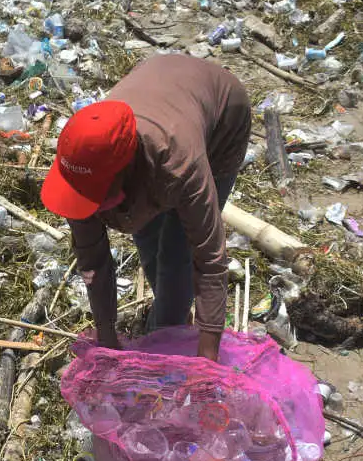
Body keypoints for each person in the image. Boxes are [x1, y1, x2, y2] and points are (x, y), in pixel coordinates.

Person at [40, 54, 251, 362]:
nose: (88, 207)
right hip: (159, 86)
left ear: (126, 172)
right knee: (149, 240)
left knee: (177, 254)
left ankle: (168, 337)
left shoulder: (179, 164)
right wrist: (107, 338)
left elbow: (207, 261)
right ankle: (171, 325)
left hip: (223, 120)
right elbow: (93, 261)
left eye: (97, 196)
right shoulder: (80, 166)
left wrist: (206, 360)